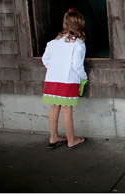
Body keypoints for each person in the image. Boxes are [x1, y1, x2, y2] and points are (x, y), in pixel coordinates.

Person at [41, 9, 88, 150]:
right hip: (67, 81)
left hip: (52, 80)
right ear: (79, 25)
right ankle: (72, 140)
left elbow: (45, 59)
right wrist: (83, 77)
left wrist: (56, 69)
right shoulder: (78, 44)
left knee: (54, 108)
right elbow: (77, 65)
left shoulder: (53, 43)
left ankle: (54, 137)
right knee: (67, 111)